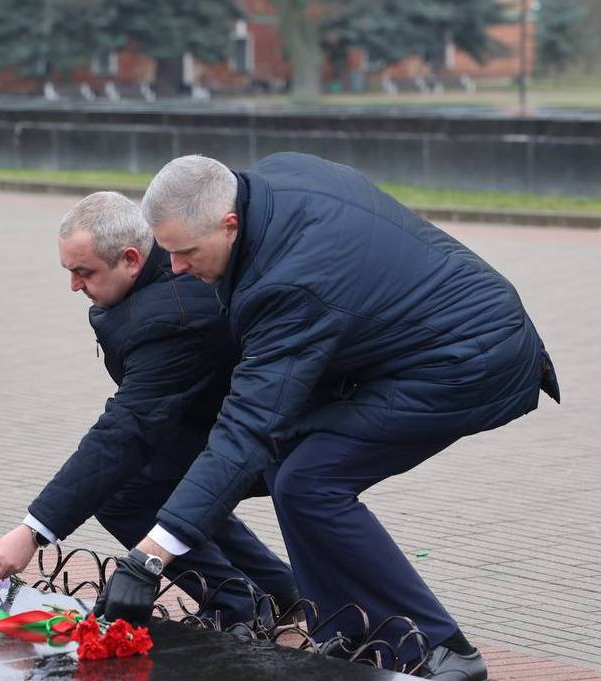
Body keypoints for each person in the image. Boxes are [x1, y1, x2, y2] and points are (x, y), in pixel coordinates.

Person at [94, 154, 561, 679]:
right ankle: (341, 630)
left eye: (186, 253)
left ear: (228, 225)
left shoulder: (287, 284)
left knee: (311, 481)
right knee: (290, 466)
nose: (176, 268)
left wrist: (150, 556)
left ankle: (441, 648)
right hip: (426, 342)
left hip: (471, 358)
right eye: (169, 252)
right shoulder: (271, 182)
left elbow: (249, 424)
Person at [0, 192, 297, 627]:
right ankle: (282, 592)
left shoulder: (169, 318)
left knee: (123, 491)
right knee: (161, 482)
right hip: (225, 422)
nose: (74, 286)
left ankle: (239, 605)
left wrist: (33, 532)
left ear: (132, 258)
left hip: (272, 436)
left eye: (83, 272)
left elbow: (125, 428)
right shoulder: (163, 269)